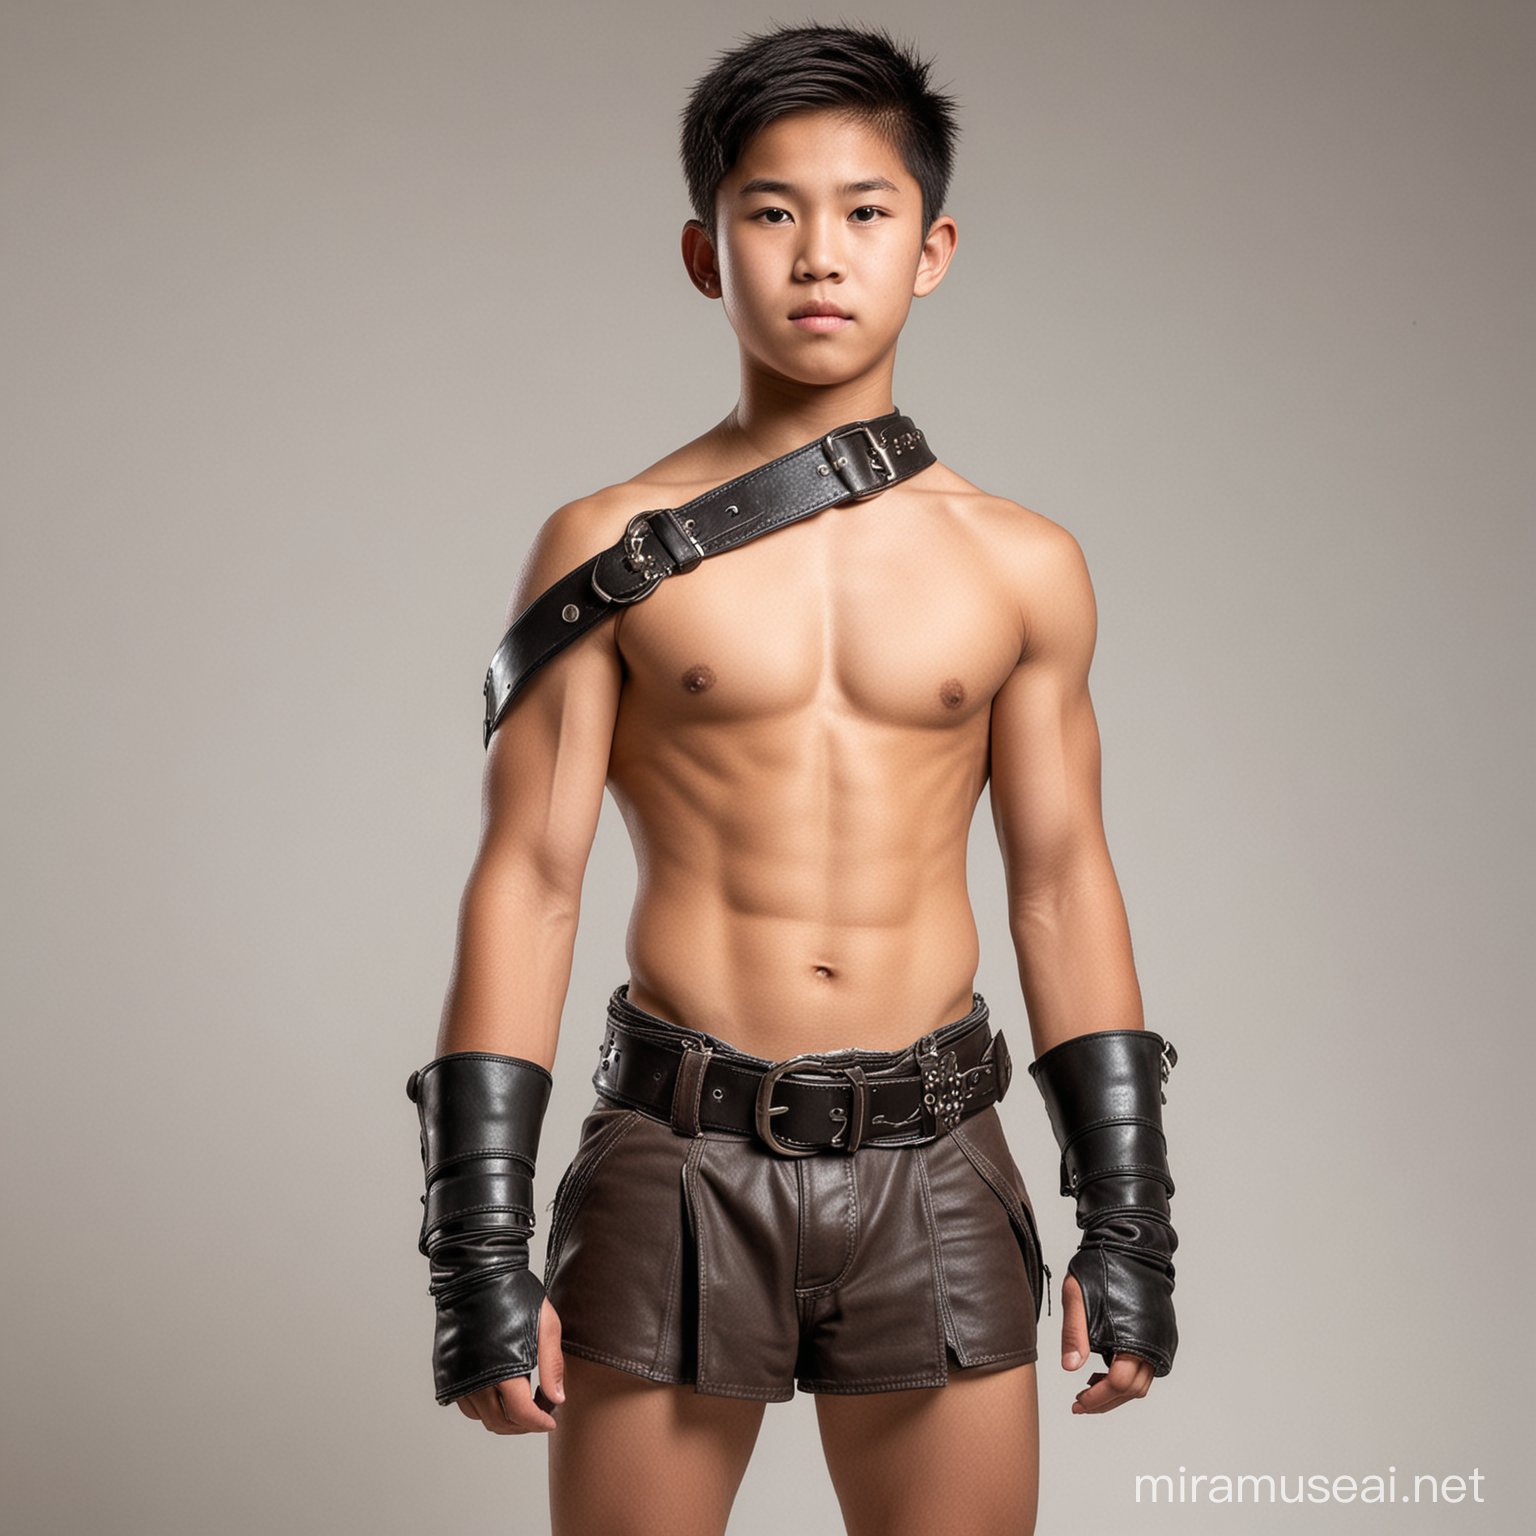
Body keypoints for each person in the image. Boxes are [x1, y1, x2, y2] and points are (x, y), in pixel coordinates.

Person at [407, 23, 1179, 1536]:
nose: (818, 255)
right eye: (771, 213)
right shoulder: (606, 543)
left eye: (864, 213)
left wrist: (1132, 1222)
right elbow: (531, 880)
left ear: (931, 247)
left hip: (936, 1159)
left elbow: (1061, 877)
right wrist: (475, 1253)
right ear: (707, 254)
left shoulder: (1024, 566)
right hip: (676, 1158)